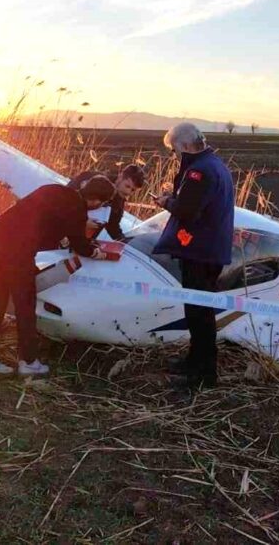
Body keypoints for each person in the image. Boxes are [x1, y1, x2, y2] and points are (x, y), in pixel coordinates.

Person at [0, 177, 116, 379]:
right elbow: (81, 246)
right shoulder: (77, 210)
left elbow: (37, 222)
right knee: (25, 305)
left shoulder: (53, 190)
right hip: (18, 251)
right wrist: (97, 253)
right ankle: (29, 362)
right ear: (97, 201)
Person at [153, 123, 234, 389]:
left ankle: (204, 373)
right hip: (209, 249)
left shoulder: (199, 171)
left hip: (201, 251)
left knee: (199, 311)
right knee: (197, 307)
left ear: (186, 146)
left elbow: (188, 211)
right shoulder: (215, 164)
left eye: (175, 150)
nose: (175, 156)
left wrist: (166, 202)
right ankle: (194, 360)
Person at [68, 163, 146, 240]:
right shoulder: (91, 178)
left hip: (80, 241)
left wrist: (125, 242)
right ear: (121, 176)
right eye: (127, 186)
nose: (128, 192)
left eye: (133, 190)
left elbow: (113, 227)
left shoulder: (119, 203)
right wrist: (82, 221)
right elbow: (65, 199)